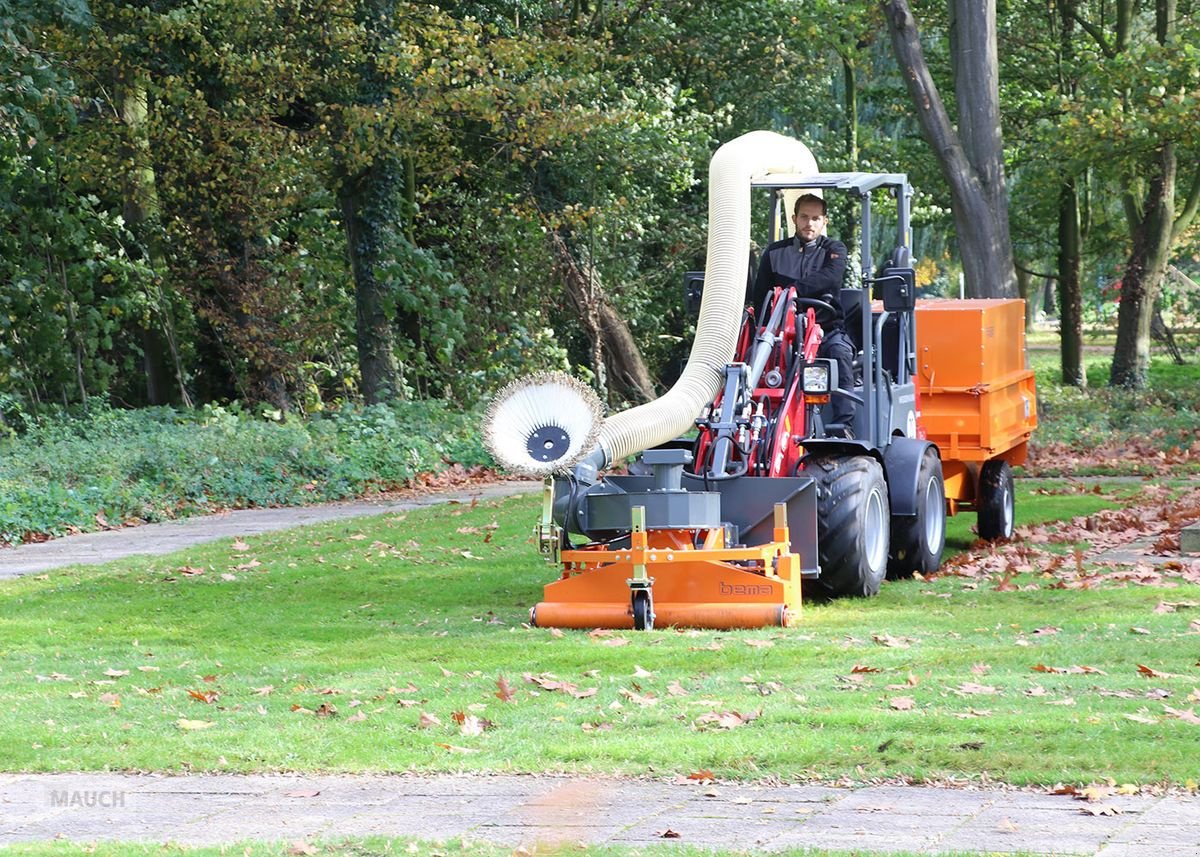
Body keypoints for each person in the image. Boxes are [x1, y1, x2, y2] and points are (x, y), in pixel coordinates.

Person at [749, 193, 856, 438]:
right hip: (782, 333)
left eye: (816, 218)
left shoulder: (834, 250)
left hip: (825, 329)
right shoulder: (775, 253)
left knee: (840, 353)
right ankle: (753, 419)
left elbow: (831, 277)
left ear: (824, 221)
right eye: (805, 217)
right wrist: (763, 328)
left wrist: (793, 290)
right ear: (795, 219)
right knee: (751, 357)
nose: (810, 223)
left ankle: (842, 426)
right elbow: (761, 294)